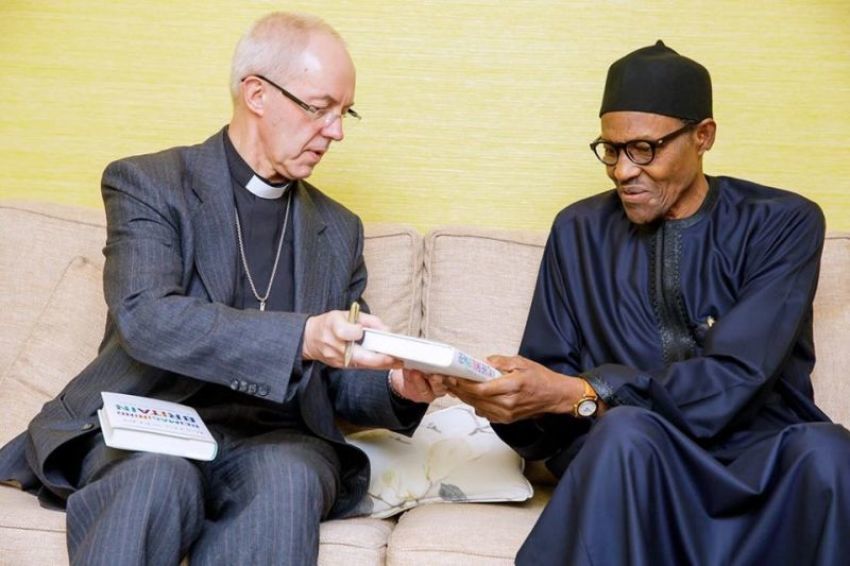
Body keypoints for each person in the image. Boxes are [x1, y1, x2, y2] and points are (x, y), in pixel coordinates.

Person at [0, 11, 443, 566]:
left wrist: (401, 384)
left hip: (273, 441)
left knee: (290, 480)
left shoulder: (338, 229)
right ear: (256, 93)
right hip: (146, 422)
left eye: (344, 111)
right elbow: (147, 318)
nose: (336, 131)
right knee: (156, 478)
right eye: (320, 107)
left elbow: (337, 378)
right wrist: (302, 336)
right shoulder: (149, 183)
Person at [445, 40, 850, 565]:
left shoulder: (783, 222)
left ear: (702, 137)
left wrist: (585, 390)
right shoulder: (578, 231)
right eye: (610, 150)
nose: (621, 171)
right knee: (626, 431)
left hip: (759, 458)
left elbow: (737, 375)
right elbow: (553, 407)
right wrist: (506, 400)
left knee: (829, 452)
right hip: (635, 465)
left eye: (643, 149)